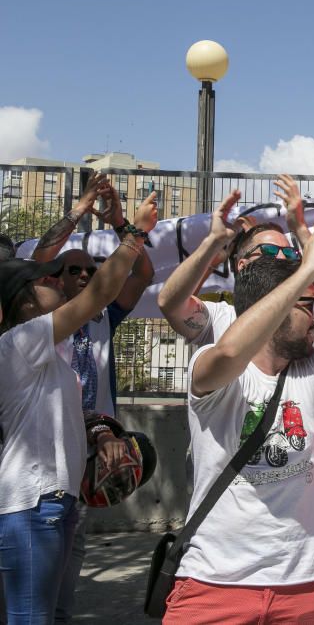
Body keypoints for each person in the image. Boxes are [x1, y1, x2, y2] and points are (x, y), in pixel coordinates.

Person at [163, 206, 314, 624]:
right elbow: (231, 350)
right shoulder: (211, 366)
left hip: (303, 586)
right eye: (309, 306)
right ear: (275, 310)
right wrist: (300, 276)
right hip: (214, 585)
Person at [0, 188, 157, 624]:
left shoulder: (48, 351)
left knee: (52, 615)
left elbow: (66, 415)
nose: (58, 281)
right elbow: (102, 292)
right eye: (47, 279)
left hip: (56, 500)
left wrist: (101, 432)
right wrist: (135, 234)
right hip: (32, 503)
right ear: (24, 301)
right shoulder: (19, 341)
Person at [157, 176, 314, 350]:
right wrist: (212, 242)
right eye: (268, 251)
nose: (281, 258)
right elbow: (170, 303)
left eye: (289, 252)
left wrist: (300, 229)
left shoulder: (305, 318)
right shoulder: (221, 318)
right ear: (242, 265)